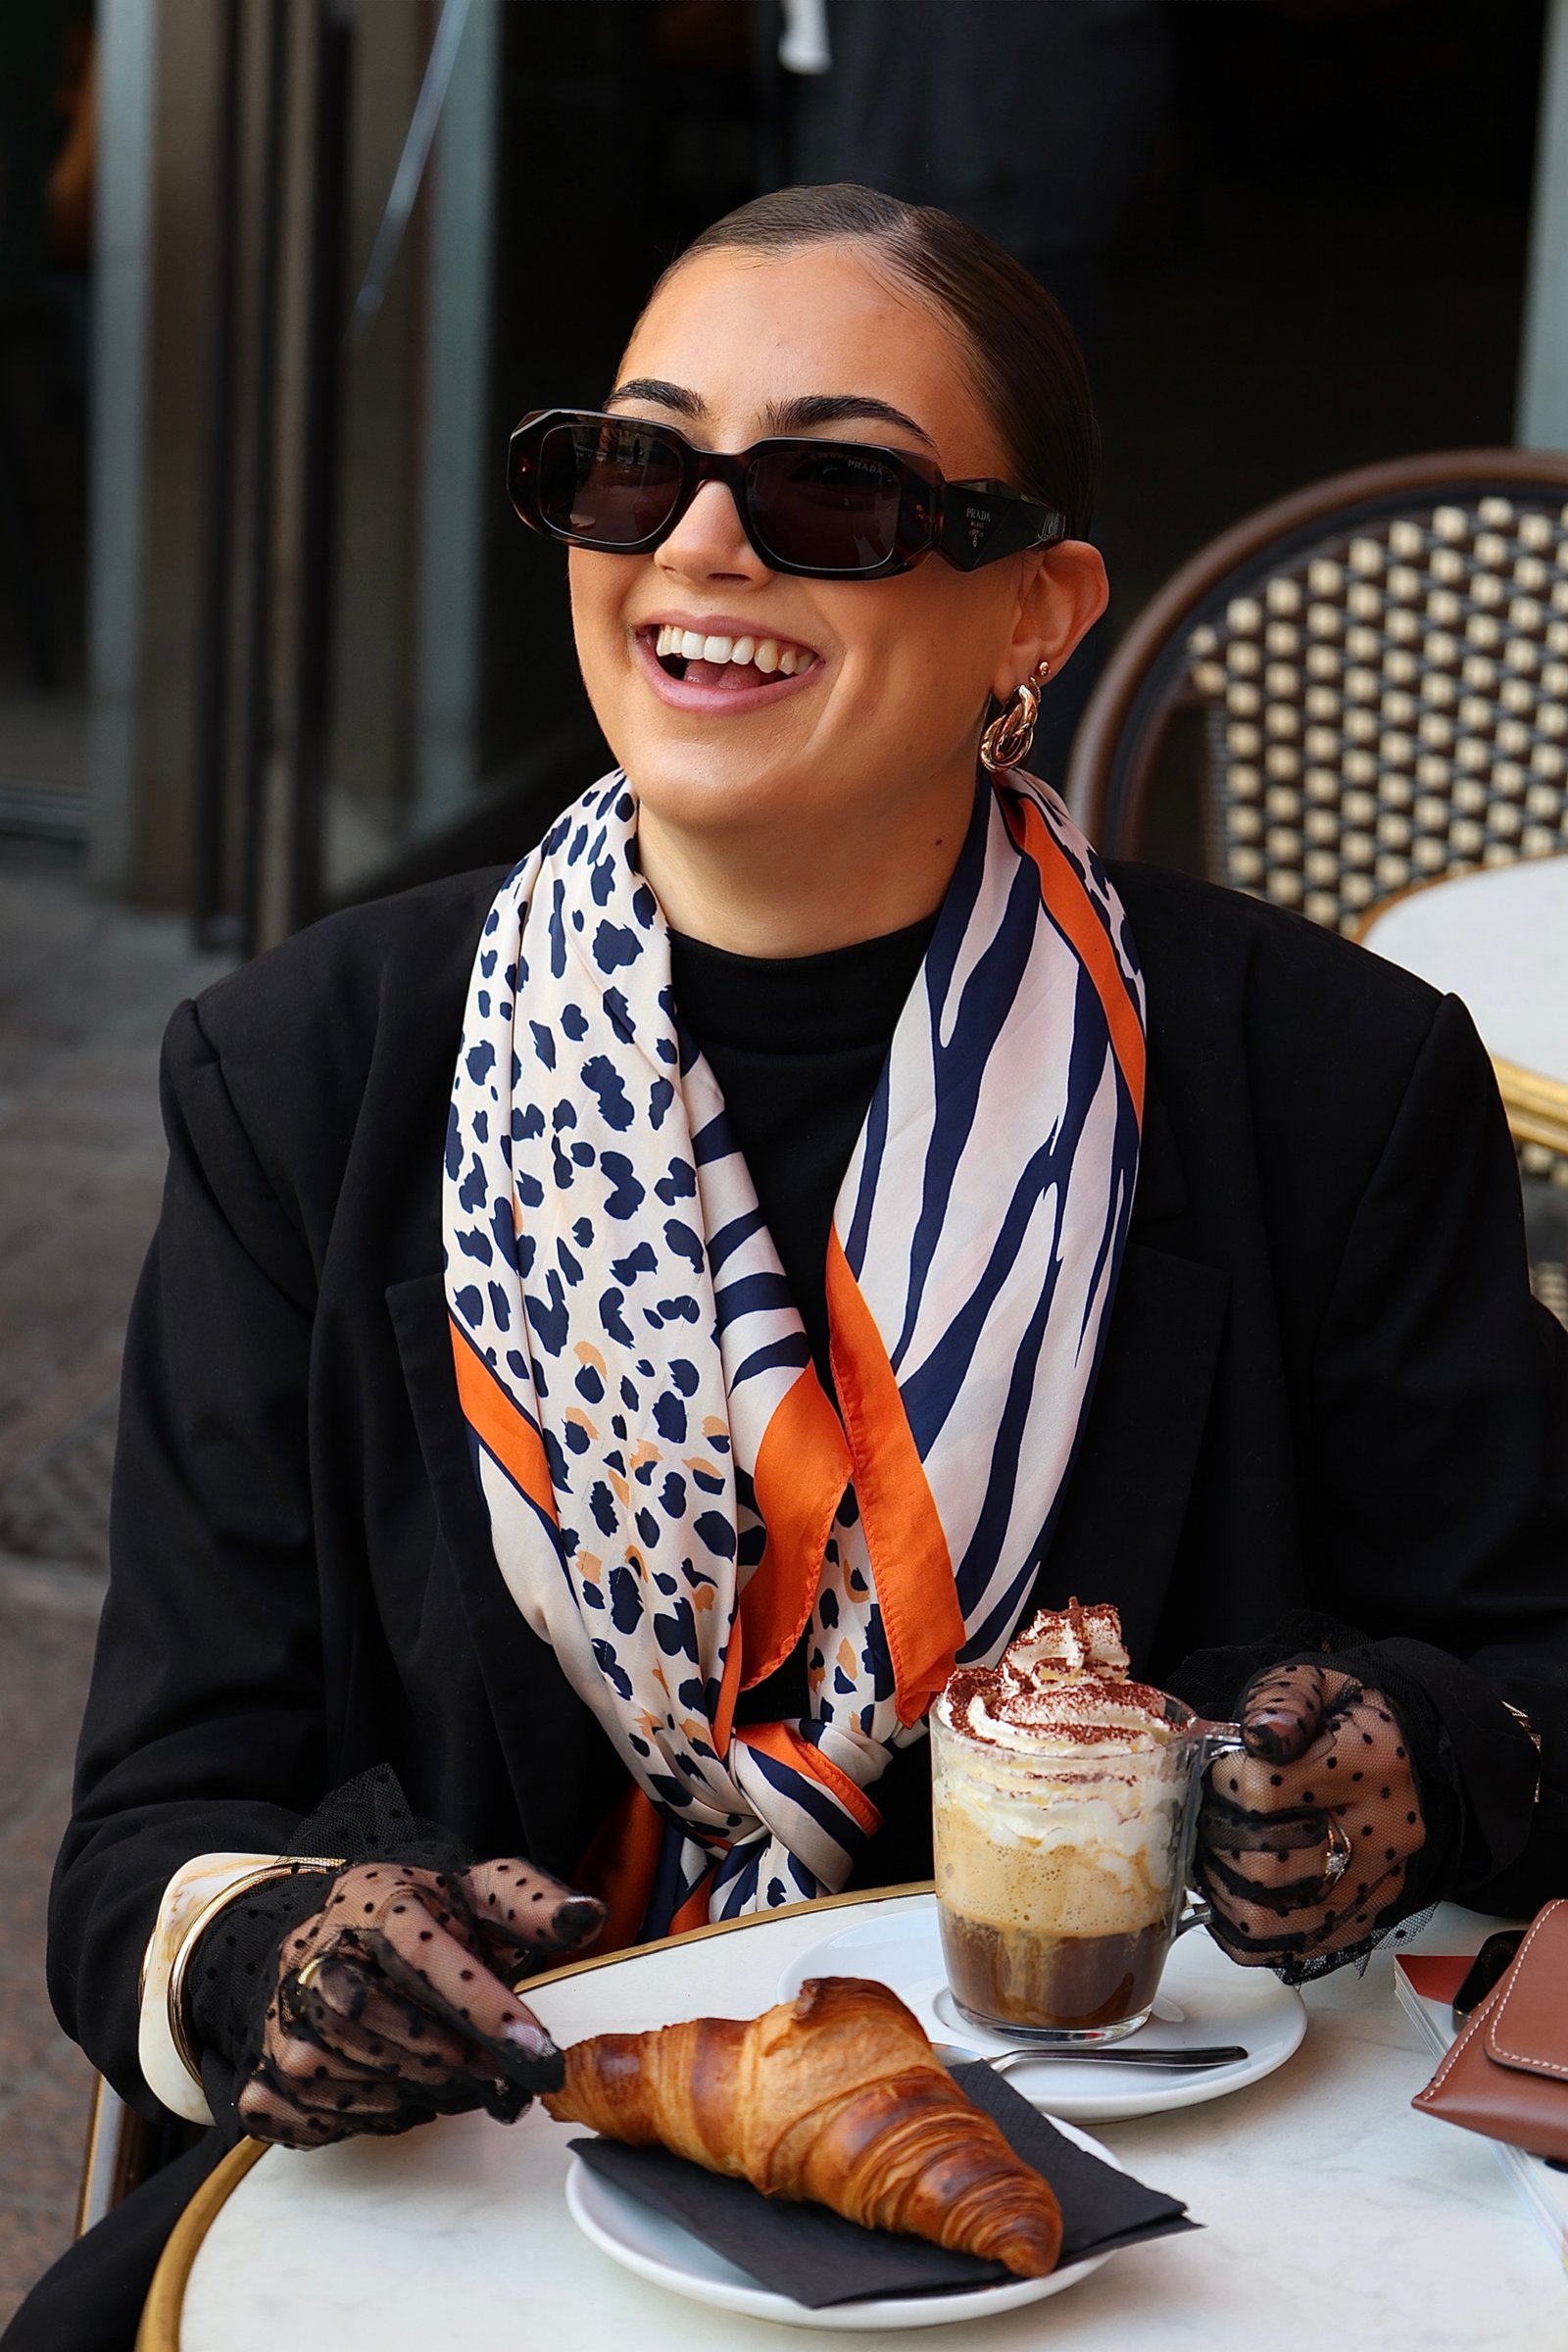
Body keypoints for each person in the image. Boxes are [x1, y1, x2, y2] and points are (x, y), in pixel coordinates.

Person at [11, 181, 1565, 2347]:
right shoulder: (309, 1079)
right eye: (631, 466)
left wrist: (1404, 1764)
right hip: (483, 2193)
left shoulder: (1320, 1082)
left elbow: (1532, 1669)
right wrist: (281, 1955)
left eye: (831, 491)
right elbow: (150, 1837)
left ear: (1036, 610)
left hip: (1170, 2220)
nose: (701, 547)